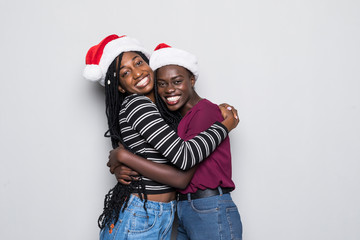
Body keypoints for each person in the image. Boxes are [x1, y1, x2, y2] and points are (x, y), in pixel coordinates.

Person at [83, 35, 239, 240]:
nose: (137, 73)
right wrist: (225, 126)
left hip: (158, 214)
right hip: (139, 215)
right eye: (126, 73)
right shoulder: (138, 105)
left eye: (139, 63)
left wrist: (123, 157)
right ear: (120, 86)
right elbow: (184, 158)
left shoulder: (162, 109)